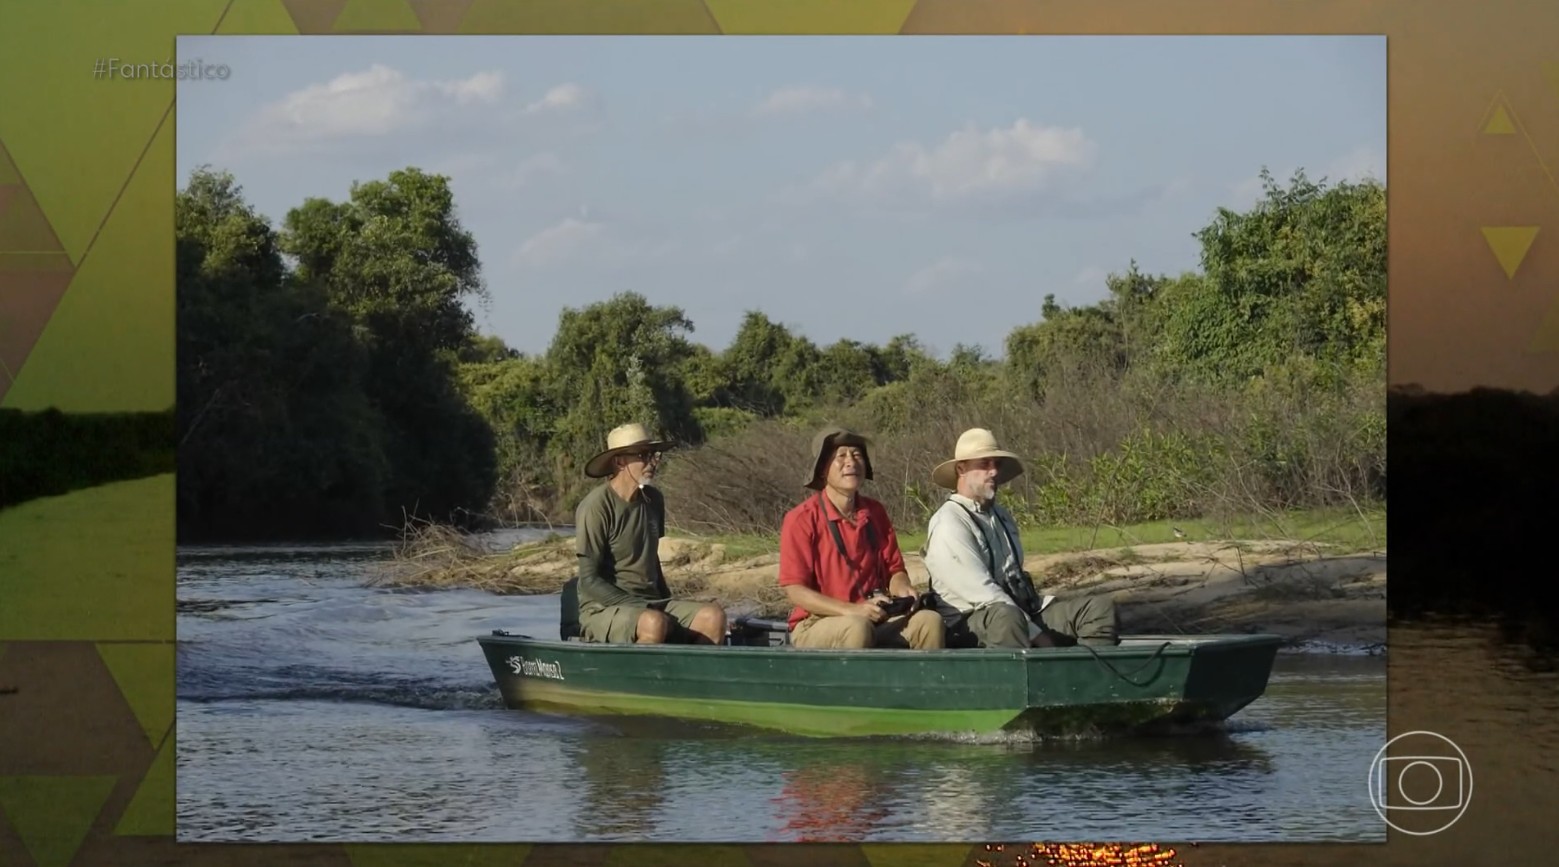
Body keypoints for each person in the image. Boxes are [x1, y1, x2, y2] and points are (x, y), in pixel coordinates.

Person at [922, 428, 1120, 649]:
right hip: (969, 623)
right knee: (1008, 618)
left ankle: (1087, 678)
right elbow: (983, 593)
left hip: (1021, 611)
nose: (994, 471)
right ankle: (1027, 678)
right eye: (985, 463)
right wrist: (1039, 637)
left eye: (997, 464)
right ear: (962, 469)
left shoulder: (1001, 515)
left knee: (1098, 608)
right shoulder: (949, 522)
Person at [777, 426, 945, 650]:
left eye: (857, 455)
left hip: (875, 616)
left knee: (929, 622)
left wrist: (903, 589)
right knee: (857, 628)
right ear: (822, 469)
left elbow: (894, 570)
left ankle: (923, 684)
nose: (851, 462)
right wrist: (851, 610)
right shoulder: (801, 519)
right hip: (817, 622)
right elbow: (795, 590)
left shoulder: (875, 512)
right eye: (841, 456)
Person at [571, 423, 727, 645]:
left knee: (713, 617)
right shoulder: (596, 506)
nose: (652, 462)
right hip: (604, 609)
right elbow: (589, 580)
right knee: (654, 623)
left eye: (654, 455)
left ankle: (695, 677)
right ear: (619, 461)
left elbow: (651, 560)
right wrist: (641, 607)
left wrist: (665, 603)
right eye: (643, 455)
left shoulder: (654, 500)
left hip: (652, 604)